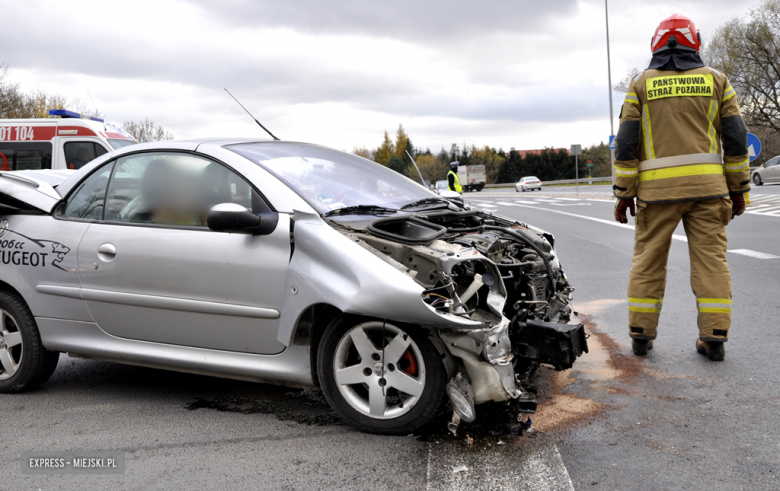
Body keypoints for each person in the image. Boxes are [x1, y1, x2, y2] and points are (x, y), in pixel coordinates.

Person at [612, 13, 750, 361]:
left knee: (647, 263)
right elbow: (735, 140)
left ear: (656, 45)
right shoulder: (718, 81)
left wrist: (624, 193)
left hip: (657, 196)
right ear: (695, 43)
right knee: (711, 263)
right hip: (709, 191)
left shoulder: (640, 84)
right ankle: (714, 338)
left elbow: (627, 145)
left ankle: (641, 337)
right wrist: (739, 190)